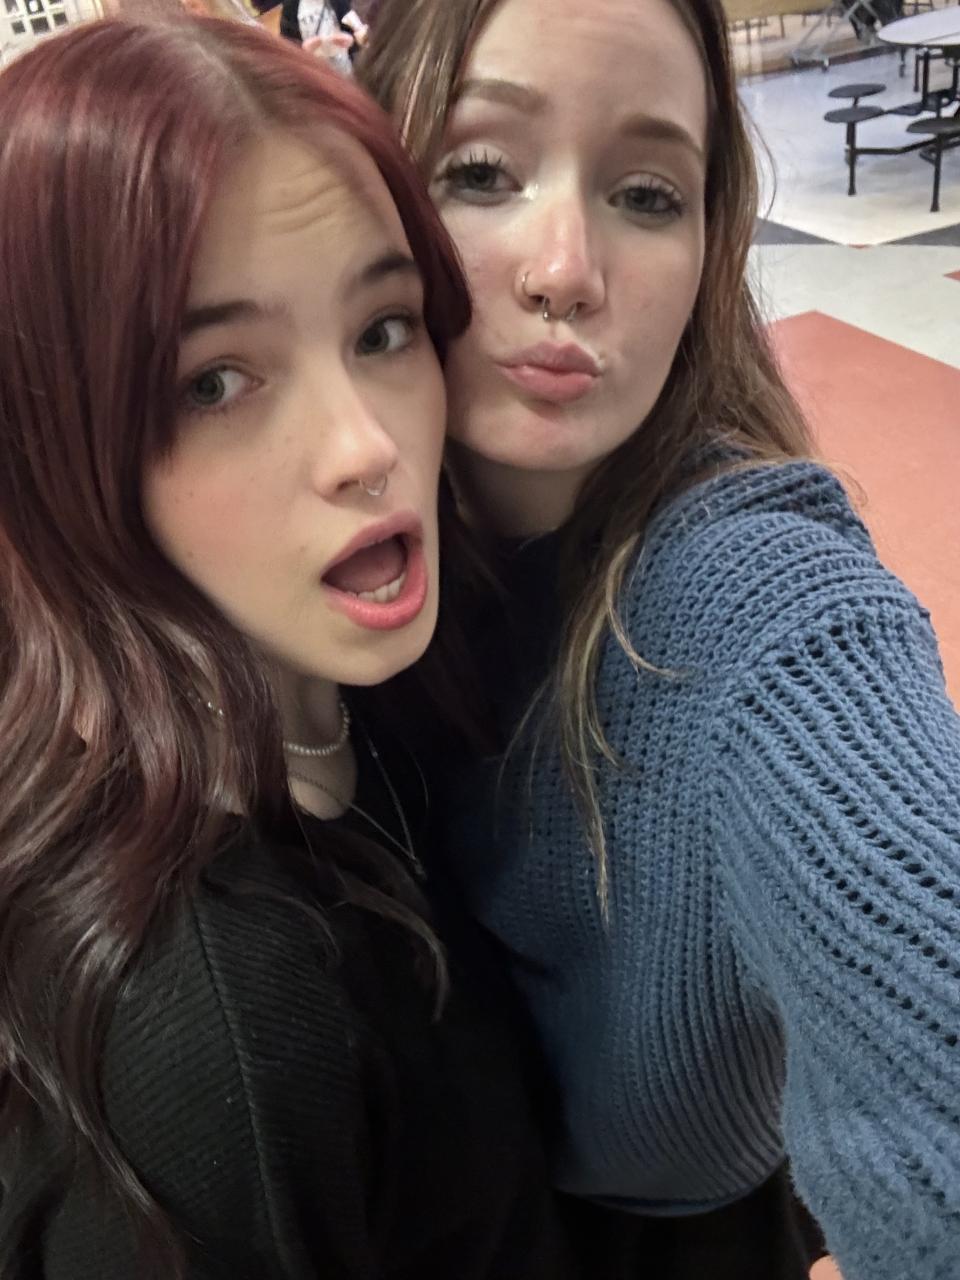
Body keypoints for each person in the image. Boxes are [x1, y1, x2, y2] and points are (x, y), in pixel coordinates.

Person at [359, 2, 960, 1278]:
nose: (565, 270)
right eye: (483, 173)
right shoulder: (350, 527)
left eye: (646, 193)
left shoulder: (760, 611)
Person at [0, 17, 580, 1280]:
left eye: (383, 328)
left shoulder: (369, 690)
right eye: (216, 381)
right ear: (54, 444)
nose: (366, 444)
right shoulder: (224, 1021)